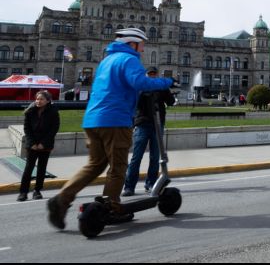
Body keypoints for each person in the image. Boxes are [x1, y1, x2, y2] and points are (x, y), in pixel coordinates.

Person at [47, 28, 175, 230]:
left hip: (93, 120)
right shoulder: (128, 59)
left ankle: (62, 199)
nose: (142, 50)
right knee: (118, 167)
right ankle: (112, 207)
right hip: (115, 120)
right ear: (132, 43)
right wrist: (167, 81)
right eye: (141, 45)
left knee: (95, 164)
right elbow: (139, 82)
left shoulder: (106, 61)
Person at [122, 67, 176, 197]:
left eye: (154, 74)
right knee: (137, 156)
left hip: (158, 124)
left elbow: (171, 101)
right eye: (149, 74)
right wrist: (142, 93)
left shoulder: (161, 87)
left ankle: (151, 183)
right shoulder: (141, 87)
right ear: (146, 75)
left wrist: (168, 92)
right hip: (143, 124)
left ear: (156, 75)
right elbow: (134, 104)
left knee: (155, 157)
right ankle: (129, 186)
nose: (152, 76)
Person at [18, 90, 60, 202]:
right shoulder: (30, 111)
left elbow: (54, 129)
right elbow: (27, 129)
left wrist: (43, 144)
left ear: (47, 100)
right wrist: (32, 143)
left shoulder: (53, 112)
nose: (38, 101)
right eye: (37, 99)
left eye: (41, 99)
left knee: (42, 168)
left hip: (45, 145)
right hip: (32, 146)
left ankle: (37, 191)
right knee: (28, 169)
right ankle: (23, 192)